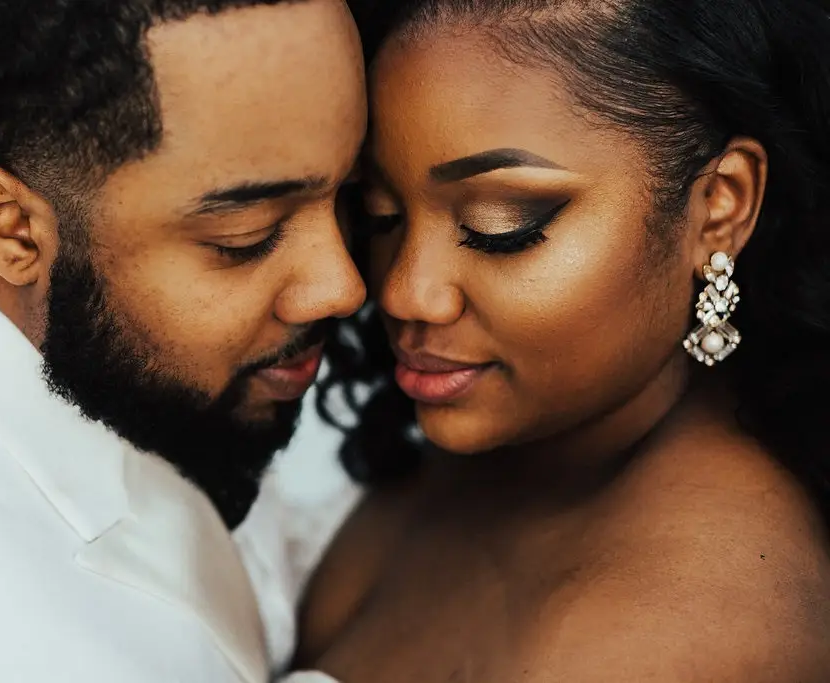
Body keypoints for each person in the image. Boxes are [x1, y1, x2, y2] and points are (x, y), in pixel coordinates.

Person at [0, 0, 367, 680]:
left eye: (357, 196)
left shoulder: (101, 353)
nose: (344, 287)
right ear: (11, 230)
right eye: (243, 240)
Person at [300, 0, 830, 680]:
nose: (405, 292)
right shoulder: (502, 461)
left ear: (720, 205)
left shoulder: (683, 636)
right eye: (380, 214)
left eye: (503, 225)